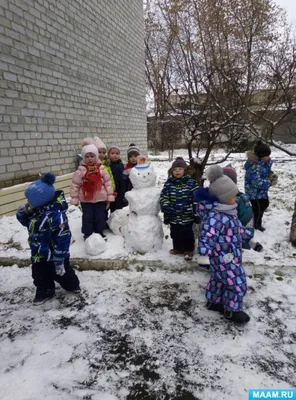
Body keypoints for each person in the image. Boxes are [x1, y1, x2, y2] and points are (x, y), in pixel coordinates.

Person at [196, 165, 253, 323]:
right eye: (233, 196)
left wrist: (252, 241)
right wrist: (204, 256)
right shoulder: (216, 217)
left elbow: (238, 230)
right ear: (225, 198)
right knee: (236, 282)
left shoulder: (229, 212)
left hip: (228, 256)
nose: (236, 199)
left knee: (218, 280)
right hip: (224, 258)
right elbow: (206, 236)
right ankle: (232, 310)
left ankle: (214, 302)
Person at [16, 173, 80, 305]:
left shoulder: (56, 216)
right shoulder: (35, 212)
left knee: (63, 275)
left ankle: (72, 285)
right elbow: (27, 223)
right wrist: (22, 214)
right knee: (39, 275)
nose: (28, 202)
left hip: (55, 255)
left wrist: (60, 257)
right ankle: (45, 290)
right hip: (38, 254)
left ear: (40, 200)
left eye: (29, 199)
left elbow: (64, 236)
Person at [70, 143, 115, 241]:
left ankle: (99, 231)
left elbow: (108, 183)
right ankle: (87, 233)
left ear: (96, 156)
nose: (90, 159)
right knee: (87, 217)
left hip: (100, 198)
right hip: (86, 199)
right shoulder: (81, 171)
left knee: (100, 216)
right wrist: (74, 198)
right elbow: (75, 185)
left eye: (92, 156)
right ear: (83, 157)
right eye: (87, 156)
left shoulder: (101, 169)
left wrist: (110, 195)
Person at [160, 157, 199, 261]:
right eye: (175, 169)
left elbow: (197, 197)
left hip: (187, 214)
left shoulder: (191, 182)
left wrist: (196, 211)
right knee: (175, 232)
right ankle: (177, 248)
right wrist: (166, 208)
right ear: (172, 171)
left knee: (186, 233)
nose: (177, 171)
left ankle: (188, 250)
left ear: (185, 170)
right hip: (173, 214)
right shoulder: (169, 183)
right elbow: (164, 196)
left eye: (180, 169)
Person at [223, 165, 263, 252]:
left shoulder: (241, 200)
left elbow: (247, 221)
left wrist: (247, 240)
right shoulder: (213, 199)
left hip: (234, 241)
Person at [244, 140, 278, 231]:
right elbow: (257, 182)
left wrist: (271, 175)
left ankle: (254, 219)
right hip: (254, 193)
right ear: (261, 156)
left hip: (261, 192)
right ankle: (256, 224)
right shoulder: (254, 167)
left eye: (268, 155)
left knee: (264, 204)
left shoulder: (264, 163)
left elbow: (266, 172)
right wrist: (270, 182)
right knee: (259, 208)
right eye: (266, 155)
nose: (268, 157)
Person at [108, 144, 125, 212]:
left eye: (117, 153)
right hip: (111, 190)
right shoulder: (108, 165)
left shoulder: (121, 164)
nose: (115, 155)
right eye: (112, 153)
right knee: (112, 207)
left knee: (119, 207)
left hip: (120, 190)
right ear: (108, 155)